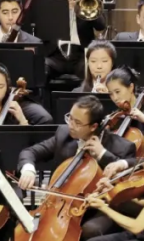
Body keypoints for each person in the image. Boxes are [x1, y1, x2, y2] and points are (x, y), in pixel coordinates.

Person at [16, 95, 135, 241]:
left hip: (100, 207)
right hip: (59, 203)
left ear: (93, 126)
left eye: (77, 122)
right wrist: (28, 169)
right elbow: (30, 152)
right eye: (70, 118)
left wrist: (102, 154)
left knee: (90, 230)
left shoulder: (122, 147)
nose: (71, 125)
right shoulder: (64, 134)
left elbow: (131, 172)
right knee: (21, 211)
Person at [103, 67, 144, 139]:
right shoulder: (115, 119)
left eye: (117, 92)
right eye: (111, 94)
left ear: (131, 87)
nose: (115, 98)